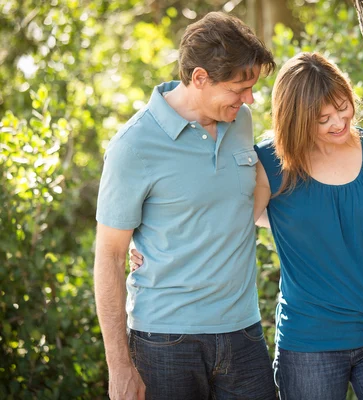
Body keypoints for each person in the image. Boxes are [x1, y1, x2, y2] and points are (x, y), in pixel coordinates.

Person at [131, 52, 363, 399]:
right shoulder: (269, 164)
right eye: (322, 118)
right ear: (297, 120)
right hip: (308, 343)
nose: (339, 122)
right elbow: (225, 219)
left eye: (343, 107)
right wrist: (148, 245)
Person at [94, 12, 276, 400]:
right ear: (199, 78)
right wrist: (120, 366)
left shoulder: (240, 121)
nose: (250, 99)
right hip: (164, 343)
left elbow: (252, 203)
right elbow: (109, 256)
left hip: (243, 333)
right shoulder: (133, 146)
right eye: (239, 88)